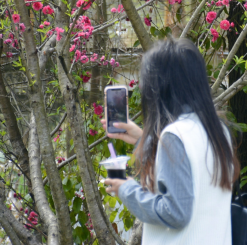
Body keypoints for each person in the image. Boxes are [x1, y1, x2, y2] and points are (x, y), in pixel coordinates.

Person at [102, 37, 238, 245]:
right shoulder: (219, 131)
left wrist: (126, 190)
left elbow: (175, 212)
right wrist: (143, 138)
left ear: (159, 88)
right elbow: (191, 174)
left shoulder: (176, 136)